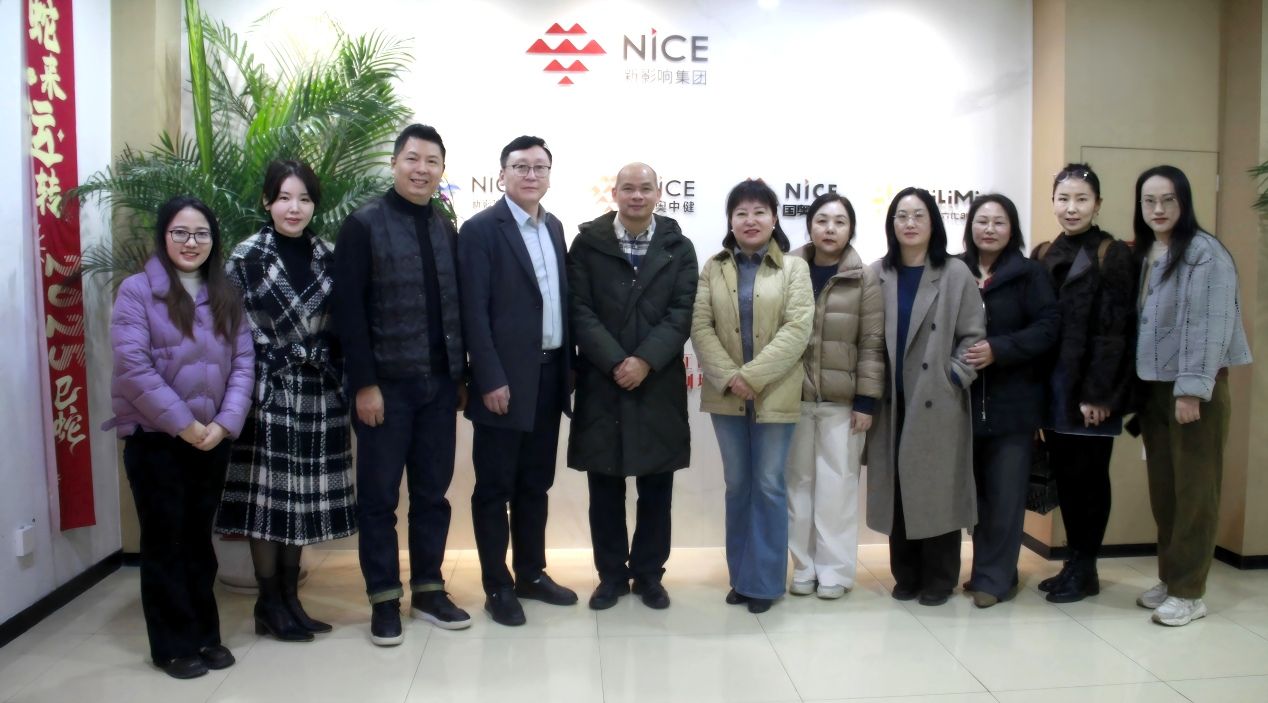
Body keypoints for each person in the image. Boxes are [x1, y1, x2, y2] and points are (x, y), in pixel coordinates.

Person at [103, 196, 253, 679]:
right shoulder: (136, 292)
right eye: (181, 232)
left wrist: (224, 424)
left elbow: (244, 363)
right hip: (156, 439)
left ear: (213, 240)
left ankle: (205, 635)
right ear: (164, 236)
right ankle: (171, 646)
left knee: (198, 540)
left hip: (212, 439)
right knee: (165, 541)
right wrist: (185, 425)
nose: (192, 242)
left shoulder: (225, 292)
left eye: (201, 233)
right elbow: (133, 367)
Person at [332, 124, 469, 646]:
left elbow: (455, 307)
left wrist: (459, 376)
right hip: (385, 389)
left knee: (433, 494)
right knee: (379, 499)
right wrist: (364, 385)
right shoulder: (363, 224)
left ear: (441, 170)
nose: (421, 169)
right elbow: (348, 311)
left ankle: (429, 591)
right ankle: (384, 599)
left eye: (432, 161)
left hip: (439, 386)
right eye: (412, 158)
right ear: (394, 163)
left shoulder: (444, 225)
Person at [215, 160, 356, 641]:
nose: (294, 208)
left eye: (304, 199)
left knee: (304, 501)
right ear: (267, 202)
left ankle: (292, 600)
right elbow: (230, 329)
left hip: (319, 390)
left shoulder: (330, 256)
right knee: (268, 499)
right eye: (284, 198)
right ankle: (268, 602)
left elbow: (344, 323)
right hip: (267, 389)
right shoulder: (245, 257)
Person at [458, 135, 579, 627]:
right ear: (502, 174)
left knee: (535, 485)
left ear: (549, 174)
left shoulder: (554, 227)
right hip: (503, 384)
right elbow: (473, 312)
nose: (531, 175)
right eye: (521, 166)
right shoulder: (480, 230)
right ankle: (497, 586)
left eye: (540, 167)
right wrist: (489, 377)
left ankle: (531, 573)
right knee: (494, 489)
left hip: (549, 377)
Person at [567, 162, 698, 611]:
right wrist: (615, 361)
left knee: (656, 488)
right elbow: (579, 309)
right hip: (602, 381)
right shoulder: (588, 243)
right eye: (628, 188)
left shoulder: (678, 247)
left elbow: (682, 311)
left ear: (659, 193)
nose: (637, 196)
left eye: (645, 188)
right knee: (604, 487)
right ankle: (610, 577)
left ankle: (649, 575)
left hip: (656, 381)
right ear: (615, 193)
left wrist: (644, 361)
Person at [1132, 165, 1251, 626]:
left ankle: (1189, 592)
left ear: (1184, 202)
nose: (1158, 209)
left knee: (1196, 492)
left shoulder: (1205, 253)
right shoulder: (1148, 252)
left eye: (1168, 199)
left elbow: (1208, 326)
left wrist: (1192, 391)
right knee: (1166, 492)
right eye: (1149, 201)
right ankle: (1171, 578)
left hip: (1193, 390)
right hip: (1155, 388)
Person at [691, 179, 813, 614]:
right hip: (726, 395)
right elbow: (700, 326)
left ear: (775, 218)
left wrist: (753, 377)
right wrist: (730, 377)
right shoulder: (714, 267)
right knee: (738, 485)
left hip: (775, 393)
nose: (750, 220)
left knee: (768, 485)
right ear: (730, 221)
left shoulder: (794, 269)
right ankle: (741, 578)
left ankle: (764, 583)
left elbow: (798, 328)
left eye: (759, 211)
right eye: (741, 212)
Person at [866, 187, 985, 607]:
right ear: (891, 224)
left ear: (933, 222)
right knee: (898, 488)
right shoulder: (877, 274)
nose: (910, 223)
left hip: (937, 400)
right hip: (891, 401)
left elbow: (973, 336)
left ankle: (939, 577)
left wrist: (953, 375)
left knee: (937, 488)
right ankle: (906, 574)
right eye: (901, 215)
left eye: (918, 215)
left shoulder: (954, 273)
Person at [1032, 163, 1136, 604]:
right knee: (1067, 478)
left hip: (1091, 392)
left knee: (1089, 479)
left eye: (1081, 199)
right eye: (1063, 199)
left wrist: (1099, 394)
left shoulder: (1112, 253)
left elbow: (1115, 331)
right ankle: (1074, 562)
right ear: (1053, 202)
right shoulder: (1043, 253)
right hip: (1052, 390)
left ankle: (1086, 566)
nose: (1071, 208)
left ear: (1097, 204)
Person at [959, 194, 1059, 608]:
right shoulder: (956, 270)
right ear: (970, 227)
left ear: (1012, 229)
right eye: (982, 221)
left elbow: (1049, 327)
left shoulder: (1029, 274)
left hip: (1013, 406)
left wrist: (1000, 348)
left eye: (999, 222)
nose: (989, 229)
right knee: (977, 497)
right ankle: (990, 569)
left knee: (1005, 496)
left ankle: (994, 579)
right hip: (962, 406)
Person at [786, 192, 883, 600]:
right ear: (809, 225)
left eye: (840, 222)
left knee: (837, 488)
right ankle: (803, 568)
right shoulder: (789, 268)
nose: (830, 229)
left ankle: (835, 572)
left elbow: (872, 343)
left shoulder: (864, 277)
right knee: (797, 487)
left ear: (851, 229)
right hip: (792, 399)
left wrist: (866, 400)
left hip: (842, 402)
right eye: (822, 220)